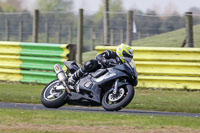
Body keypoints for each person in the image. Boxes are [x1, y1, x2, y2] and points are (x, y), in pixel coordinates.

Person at [68, 43, 136, 85]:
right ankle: (73, 77)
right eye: (126, 55)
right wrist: (105, 61)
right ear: (122, 52)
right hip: (97, 69)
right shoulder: (111, 53)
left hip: (106, 75)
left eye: (129, 57)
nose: (127, 58)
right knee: (92, 63)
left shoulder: (122, 64)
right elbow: (99, 56)